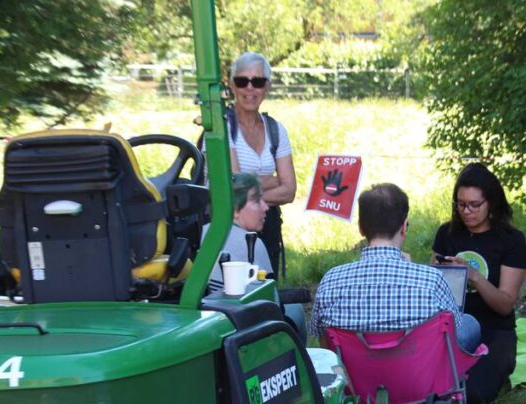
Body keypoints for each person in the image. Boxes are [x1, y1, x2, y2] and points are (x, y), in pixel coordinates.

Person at [310, 183, 481, 352]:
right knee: (469, 324)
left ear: (361, 228)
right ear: (404, 227)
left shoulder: (330, 281)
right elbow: (455, 332)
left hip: (354, 378)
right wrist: (412, 272)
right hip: (419, 377)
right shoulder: (431, 280)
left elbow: (325, 346)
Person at [431, 164, 526, 404]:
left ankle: (499, 376)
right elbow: (431, 290)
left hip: (494, 329)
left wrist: (474, 277)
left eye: (475, 205)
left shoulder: (511, 240)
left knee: (473, 395)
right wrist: (436, 272)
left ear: (491, 203)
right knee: (431, 390)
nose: (467, 211)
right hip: (451, 327)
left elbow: (505, 304)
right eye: (461, 204)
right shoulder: (447, 234)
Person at [227, 52, 296, 276]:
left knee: (267, 287)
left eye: (257, 82)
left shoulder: (276, 130)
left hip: (268, 225)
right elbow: (234, 189)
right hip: (230, 229)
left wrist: (250, 198)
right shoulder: (222, 128)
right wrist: (271, 181)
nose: (249, 88)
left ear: (266, 87)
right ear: (232, 85)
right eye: (242, 81)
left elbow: (289, 190)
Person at [203, 173, 271, 293]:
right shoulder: (253, 244)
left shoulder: (201, 232)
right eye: (257, 201)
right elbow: (270, 295)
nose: (265, 207)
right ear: (234, 209)